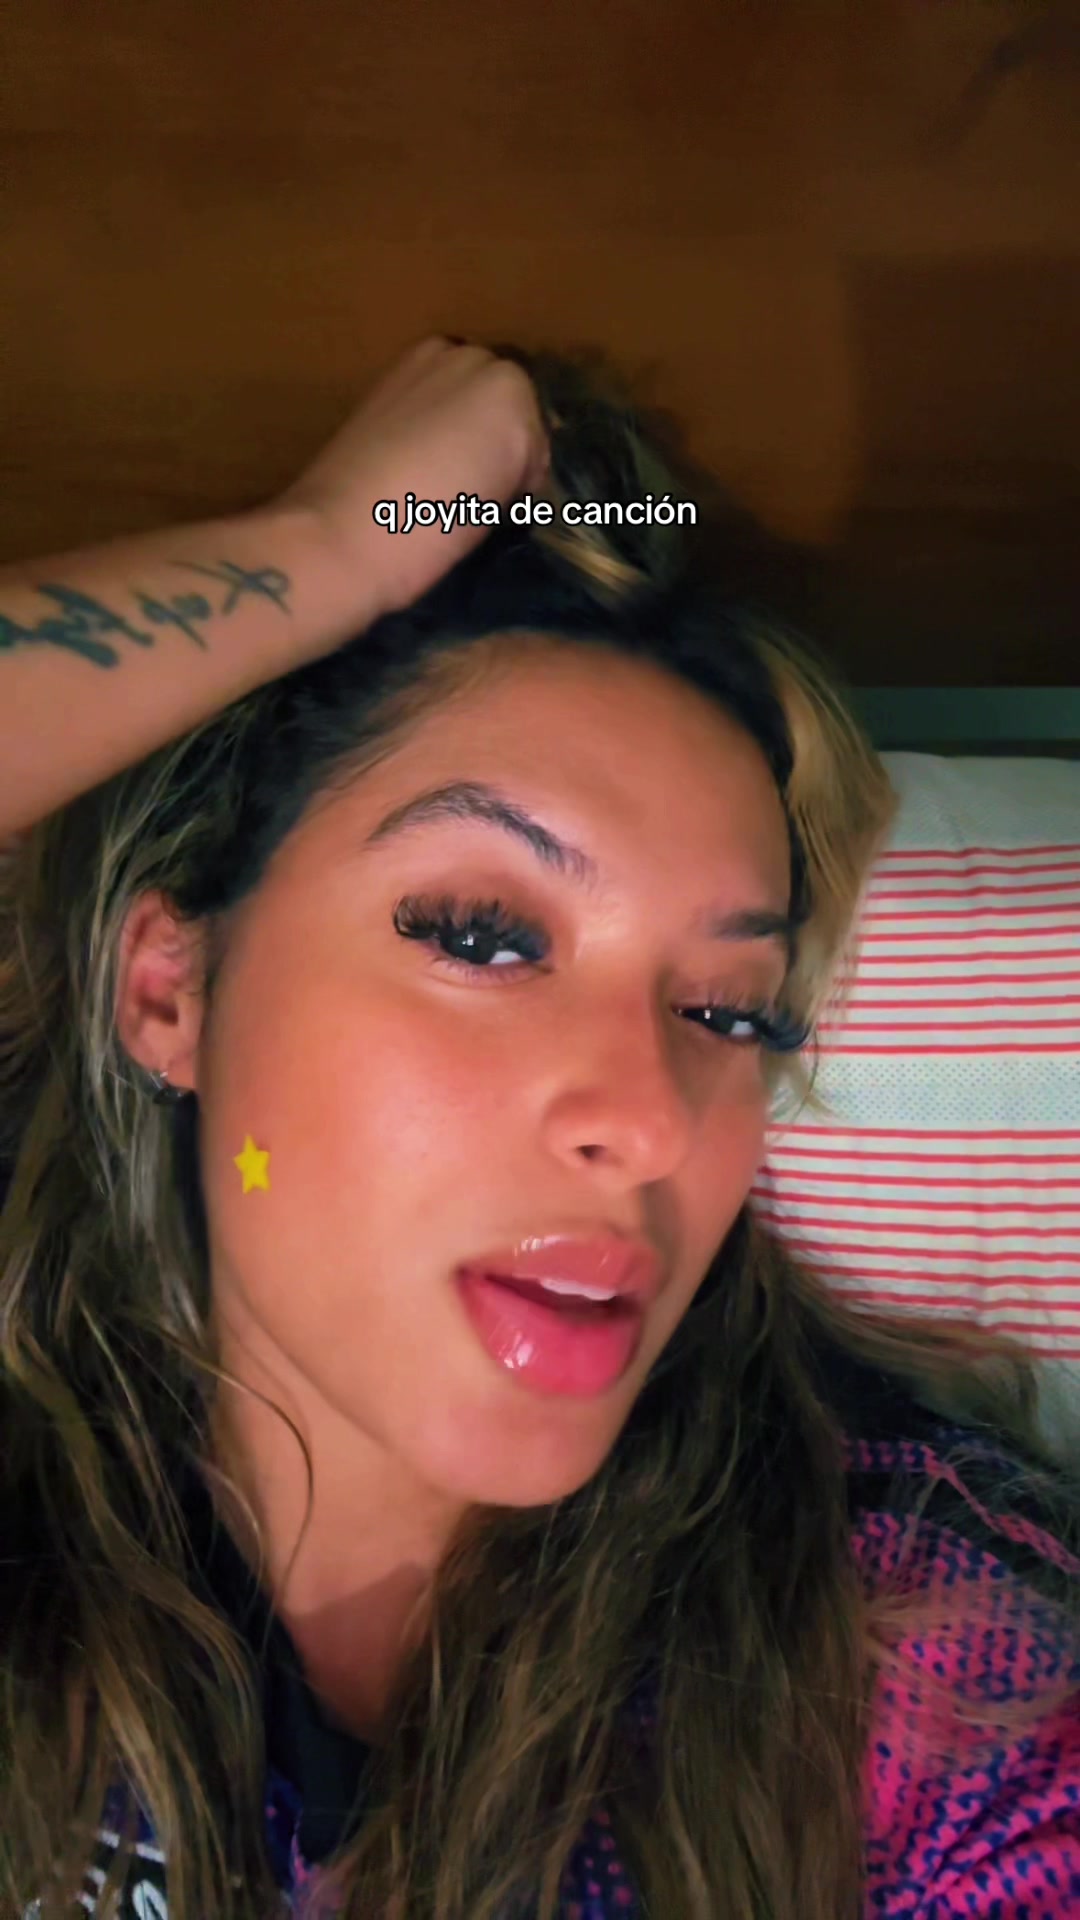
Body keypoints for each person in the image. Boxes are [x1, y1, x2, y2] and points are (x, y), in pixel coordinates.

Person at [0, 339, 1076, 1920]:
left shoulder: (928, 1684)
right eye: (484, 937)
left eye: (732, 1014)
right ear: (173, 991)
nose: (651, 1125)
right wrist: (325, 553)